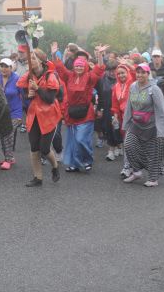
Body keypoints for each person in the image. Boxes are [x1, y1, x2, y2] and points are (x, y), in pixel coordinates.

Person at [51, 42, 106, 172]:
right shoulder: (69, 76)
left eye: (81, 66)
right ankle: (74, 164)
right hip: (71, 112)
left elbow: (99, 68)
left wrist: (99, 55)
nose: (79, 68)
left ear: (85, 66)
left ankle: (87, 160)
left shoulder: (89, 77)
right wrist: (54, 54)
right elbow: (59, 67)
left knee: (81, 139)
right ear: (74, 67)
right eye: (77, 66)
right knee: (72, 140)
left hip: (86, 113)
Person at [16, 48, 61, 187]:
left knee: (44, 148)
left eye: (34, 58)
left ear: (42, 61)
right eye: (30, 59)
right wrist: (27, 95)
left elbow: (49, 99)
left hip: (49, 116)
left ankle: (54, 166)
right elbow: (24, 95)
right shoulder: (28, 76)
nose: (31, 61)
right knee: (34, 147)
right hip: (33, 115)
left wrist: (37, 89)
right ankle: (38, 178)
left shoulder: (50, 76)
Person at [122, 63, 164, 187]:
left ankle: (153, 179)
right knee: (128, 145)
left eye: (143, 72)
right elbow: (128, 106)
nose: (140, 75)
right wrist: (125, 123)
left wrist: (161, 131)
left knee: (152, 153)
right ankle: (136, 172)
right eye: (138, 72)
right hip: (135, 124)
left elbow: (161, 110)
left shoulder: (154, 89)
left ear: (148, 74)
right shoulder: (132, 86)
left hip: (151, 126)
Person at [0, 58, 23, 170]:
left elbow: (24, 95)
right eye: (2, 66)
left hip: (15, 112)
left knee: (8, 133)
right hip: (2, 112)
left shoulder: (17, 79)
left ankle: (8, 159)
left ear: (11, 68)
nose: (3, 68)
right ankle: (9, 157)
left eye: (6, 66)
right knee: (3, 134)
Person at [111, 63, 136, 178]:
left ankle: (133, 167)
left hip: (136, 118)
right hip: (123, 118)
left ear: (127, 73)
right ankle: (128, 167)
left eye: (123, 72)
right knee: (127, 143)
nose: (121, 75)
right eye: (119, 73)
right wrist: (115, 116)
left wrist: (128, 64)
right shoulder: (116, 86)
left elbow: (136, 73)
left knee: (133, 144)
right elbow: (115, 104)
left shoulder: (133, 83)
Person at [95, 60, 121, 161]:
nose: (112, 72)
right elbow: (99, 96)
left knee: (118, 129)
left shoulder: (122, 79)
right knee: (109, 128)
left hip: (119, 109)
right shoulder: (102, 80)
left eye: (114, 70)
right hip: (106, 108)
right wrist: (99, 109)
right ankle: (111, 151)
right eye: (109, 70)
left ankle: (118, 145)